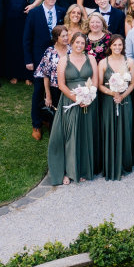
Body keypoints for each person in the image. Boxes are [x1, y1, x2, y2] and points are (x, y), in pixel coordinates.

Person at [47, 32, 96, 185]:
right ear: (72, 43)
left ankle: (82, 170)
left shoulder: (91, 58)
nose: (80, 45)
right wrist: (77, 99)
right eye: (77, 42)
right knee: (70, 136)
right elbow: (61, 84)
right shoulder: (64, 60)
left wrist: (88, 97)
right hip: (70, 102)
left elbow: (94, 81)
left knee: (84, 135)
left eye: (82, 43)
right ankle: (68, 171)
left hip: (89, 101)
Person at [23, 0, 62, 137]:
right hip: (39, 58)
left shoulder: (61, 11)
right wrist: (28, 59)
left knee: (54, 90)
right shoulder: (34, 13)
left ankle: (48, 118)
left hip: (57, 58)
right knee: (39, 90)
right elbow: (27, 38)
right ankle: (36, 124)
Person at [99, 34, 134, 181]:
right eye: (115, 45)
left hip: (125, 100)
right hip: (108, 101)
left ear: (123, 46)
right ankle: (109, 164)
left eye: (120, 45)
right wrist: (112, 93)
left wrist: (122, 95)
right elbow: (99, 84)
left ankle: (124, 164)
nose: (117, 47)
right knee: (109, 130)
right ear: (110, 46)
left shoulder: (129, 62)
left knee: (124, 129)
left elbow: (132, 83)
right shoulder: (103, 63)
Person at [2, 0, 38, 84]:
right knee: (12, 45)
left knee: (25, 44)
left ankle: (27, 75)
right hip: (9, 17)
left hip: (25, 18)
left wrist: (32, 5)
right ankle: (14, 74)